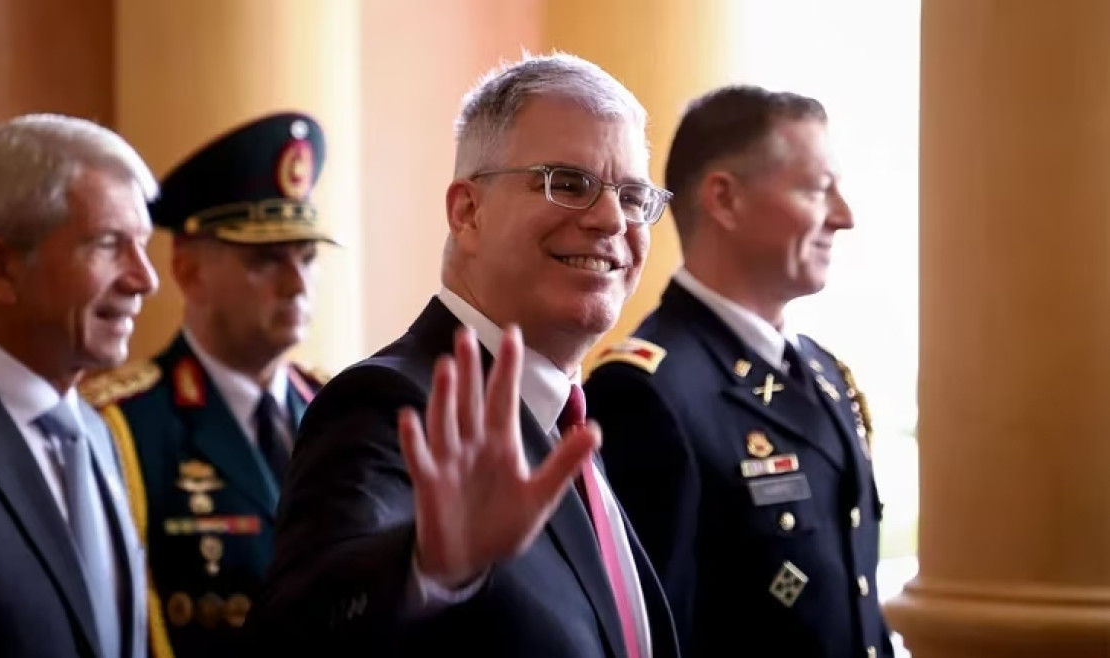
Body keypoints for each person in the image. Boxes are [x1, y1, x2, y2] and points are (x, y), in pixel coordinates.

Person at [245, 52, 680, 657]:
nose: (610, 219)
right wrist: (427, 570)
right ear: (467, 212)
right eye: (568, 184)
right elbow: (294, 633)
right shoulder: (389, 402)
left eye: (633, 196)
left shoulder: (565, 422)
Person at [582, 84, 893, 657]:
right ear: (724, 199)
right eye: (819, 189)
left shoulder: (827, 374)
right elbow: (652, 634)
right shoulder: (647, 392)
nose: (844, 217)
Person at [79, 112, 334, 658]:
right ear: (190, 271)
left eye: (307, 257)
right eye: (266, 260)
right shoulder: (123, 425)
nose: (297, 284)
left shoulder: (337, 411)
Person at [0, 114, 158, 657]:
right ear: (0, 267)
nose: (145, 279)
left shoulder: (96, 434)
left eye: (143, 244)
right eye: (110, 244)